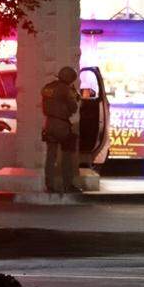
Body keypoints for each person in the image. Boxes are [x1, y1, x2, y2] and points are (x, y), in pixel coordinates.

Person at [41, 66, 81, 194]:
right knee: (67, 156)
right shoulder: (66, 89)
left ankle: (49, 185)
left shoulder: (49, 86)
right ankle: (68, 185)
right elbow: (73, 108)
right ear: (69, 78)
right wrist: (75, 97)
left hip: (49, 123)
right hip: (61, 125)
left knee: (50, 156)